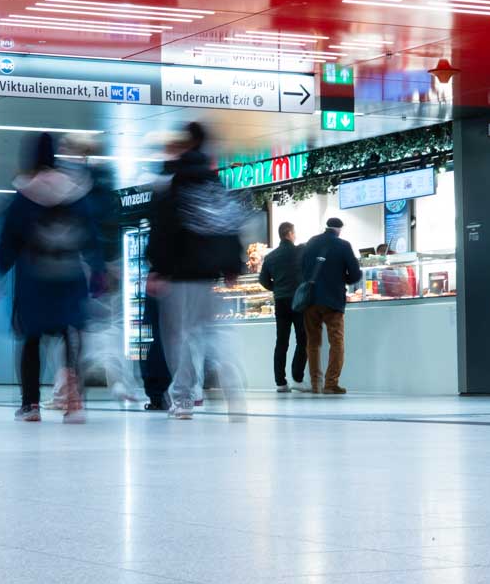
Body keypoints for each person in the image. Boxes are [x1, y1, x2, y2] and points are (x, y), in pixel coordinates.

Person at [0, 133, 102, 422]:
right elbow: (91, 236)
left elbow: (9, 239)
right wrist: (99, 269)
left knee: (31, 340)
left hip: (34, 278)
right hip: (69, 276)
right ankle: (74, 402)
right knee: (71, 336)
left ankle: (30, 405)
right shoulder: (75, 193)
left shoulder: (24, 196)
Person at [146, 122, 247, 420]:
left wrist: (157, 268)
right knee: (214, 331)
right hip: (209, 275)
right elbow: (229, 225)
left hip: (178, 276)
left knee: (180, 337)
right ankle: (232, 383)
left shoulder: (174, 184)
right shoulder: (215, 185)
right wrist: (233, 266)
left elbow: (163, 229)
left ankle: (182, 399)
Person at [69, 141, 143, 408]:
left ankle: (68, 389)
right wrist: (112, 265)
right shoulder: (109, 198)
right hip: (109, 265)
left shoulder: (80, 196)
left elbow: (86, 234)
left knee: (83, 330)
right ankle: (121, 382)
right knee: (114, 326)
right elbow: (111, 230)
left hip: (88, 266)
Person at [299, 217, 363, 396]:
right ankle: (331, 383)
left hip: (310, 300)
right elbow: (355, 274)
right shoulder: (343, 245)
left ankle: (315, 384)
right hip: (333, 300)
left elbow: (302, 267)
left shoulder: (311, 242)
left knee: (313, 343)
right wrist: (343, 279)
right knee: (336, 341)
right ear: (339, 229)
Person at [257, 221, 309, 393]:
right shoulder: (300, 252)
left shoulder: (271, 257)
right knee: (303, 339)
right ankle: (297, 378)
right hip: (298, 301)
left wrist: (276, 288)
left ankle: (280, 382)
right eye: (294, 232)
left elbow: (263, 280)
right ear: (289, 233)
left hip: (280, 302)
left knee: (281, 342)